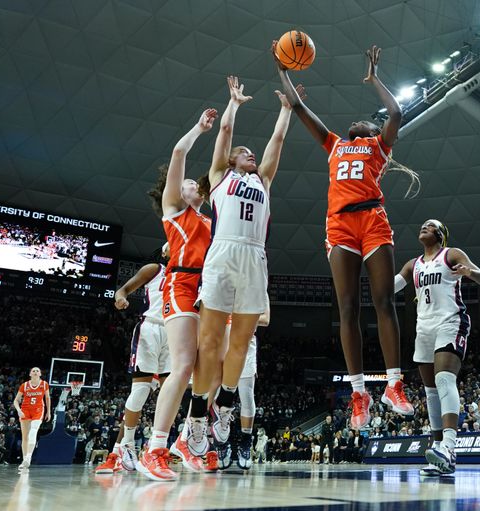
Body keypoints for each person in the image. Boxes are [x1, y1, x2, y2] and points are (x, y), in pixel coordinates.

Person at [277, 44, 420, 429]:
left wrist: (374, 79)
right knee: (346, 307)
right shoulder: (335, 144)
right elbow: (301, 110)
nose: (357, 122)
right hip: (339, 224)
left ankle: (393, 384)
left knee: (384, 301)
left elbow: (396, 112)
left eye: (365, 123)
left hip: (373, 220)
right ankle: (359, 393)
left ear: (373, 134)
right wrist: (283, 72)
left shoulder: (379, 146)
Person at [186, 76, 293, 466]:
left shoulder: (262, 180)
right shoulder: (220, 177)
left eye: (251, 152)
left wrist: (286, 110)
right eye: (243, 152)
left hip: (254, 256)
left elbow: (277, 144)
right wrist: (233, 103)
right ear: (230, 160)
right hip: (224, 253)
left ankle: (227, 402)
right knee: (210, 343)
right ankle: (199, 414)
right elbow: (227, 132)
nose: (249, 154)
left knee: (241, 343)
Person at [138, 108, 216, 481]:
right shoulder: (174, 211)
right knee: (184, 365)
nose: (191, 185)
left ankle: (186, 437)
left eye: (193, 184)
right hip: (180, 285)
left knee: (209, 369)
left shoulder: (209, 221)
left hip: (205, 290)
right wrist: (199, 128)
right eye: (186, 183)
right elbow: (178, 155)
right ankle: (154, 448)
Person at [394, 219, 480, 475]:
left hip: (450, 321)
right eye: (421, 225)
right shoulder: (412, 264)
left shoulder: (451, 254)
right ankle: (439, 454)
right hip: (423, 329)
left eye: (429, 225)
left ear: (440, 233)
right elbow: (391, 287)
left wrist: (469, 272)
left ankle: (449, 447)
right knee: (431, 392)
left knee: (445, 380)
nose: (423, 227)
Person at [96, 250, 170, 475]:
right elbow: (122, 289)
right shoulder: (155, 269)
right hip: (151, 328)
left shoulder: (192, 274)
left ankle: (141, 449)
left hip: (177, 332)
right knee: (140, 392)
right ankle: (124, 446)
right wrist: (121, 297)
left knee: (172, 395)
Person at [234, 306, 271, 471]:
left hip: (247, 341)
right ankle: (219, 444)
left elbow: (265, 319)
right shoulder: (226, 282)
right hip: (224, 338)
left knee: (246, 396)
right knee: (219, 395)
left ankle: (246, 441)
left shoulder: (260, 287)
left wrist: (242, 319)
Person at [12, 367, 51, 472]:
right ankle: (24, 460)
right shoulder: (24, 385)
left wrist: (49, 412)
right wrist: (19, 410)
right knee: (25, 437)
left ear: (40, 374)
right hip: (25, 410)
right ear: (30, 374)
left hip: (38, 410)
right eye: (33, 371)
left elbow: (47, 398)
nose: (35, 372)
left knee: (33, 432)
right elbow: (16, 401)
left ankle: (29, 457)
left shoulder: (44, 384)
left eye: (37, 370)